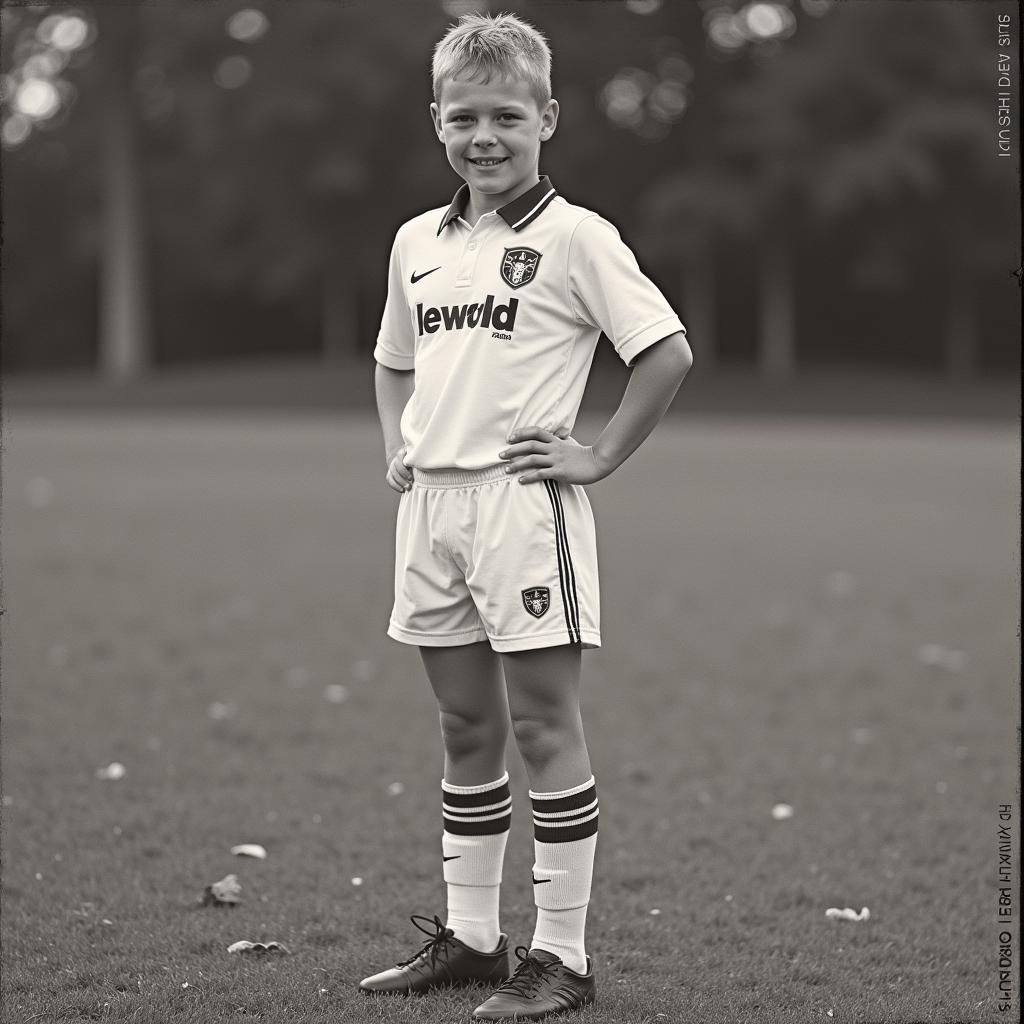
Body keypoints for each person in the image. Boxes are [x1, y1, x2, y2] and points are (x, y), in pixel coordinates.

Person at [361, 11, 692, 1020]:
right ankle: (471, 939)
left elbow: (664, 351)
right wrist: (396, 442)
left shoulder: (576, 237)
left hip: (520, 510)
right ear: (436, 122)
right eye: (464, 117)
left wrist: (593, 456)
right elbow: (391, 360)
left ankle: (563, 957)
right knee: (466, 726)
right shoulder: (416, 240)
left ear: (546, 116)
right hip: (432, 513)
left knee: (543, 728)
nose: (484, 136)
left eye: (507, 114)